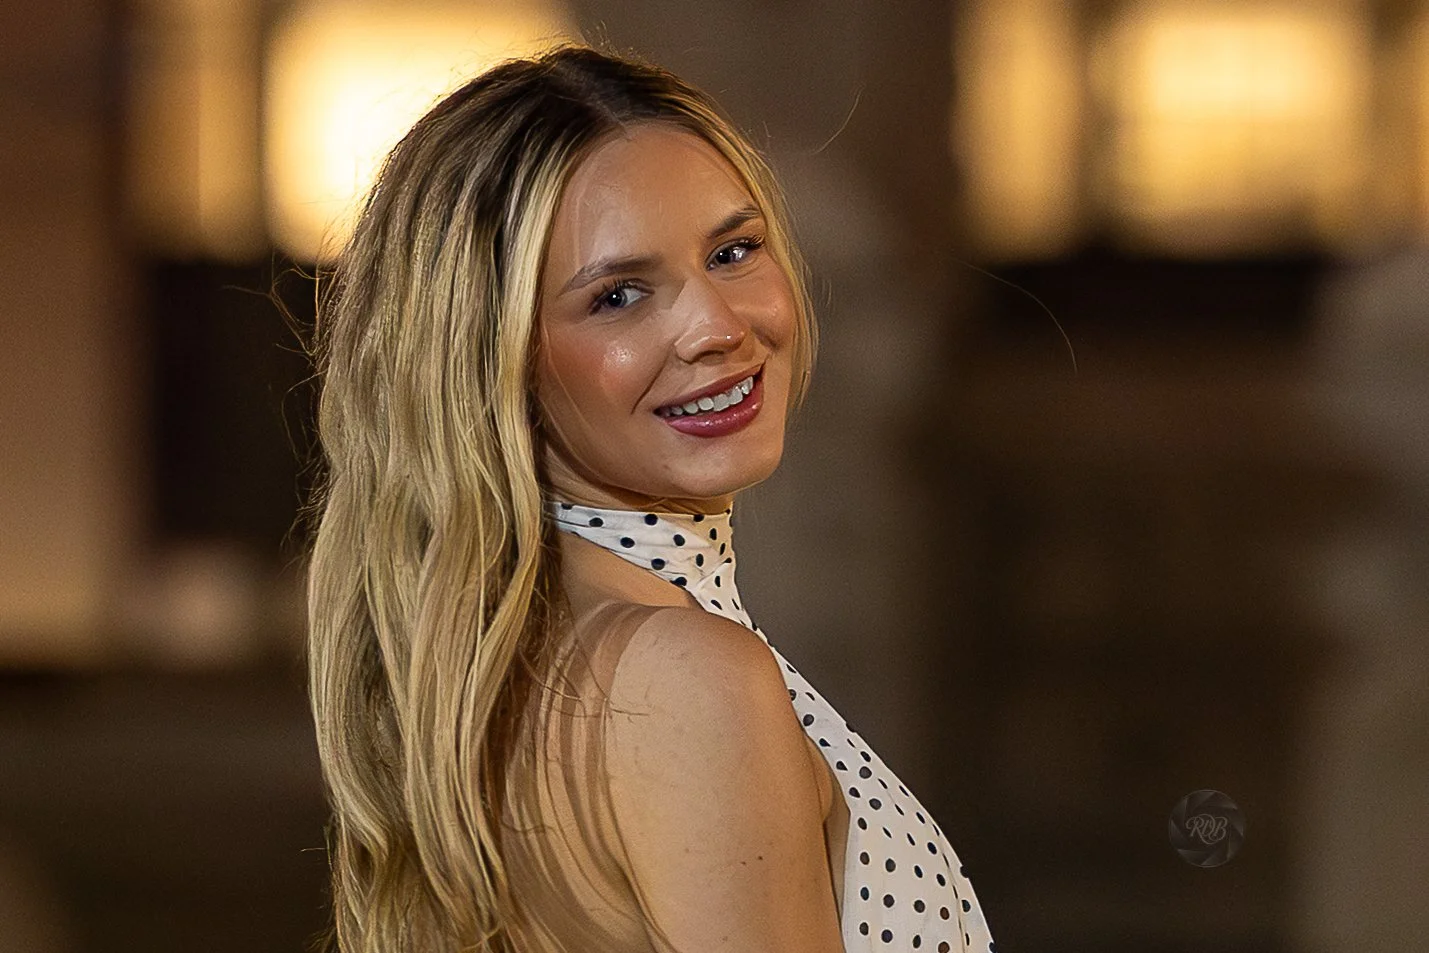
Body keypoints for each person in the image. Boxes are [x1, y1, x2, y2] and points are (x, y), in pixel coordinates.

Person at [304, 44, 994, 953]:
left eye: (734, 250)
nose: (715, 326)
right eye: (619, 295)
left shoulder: (521, 661)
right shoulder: (684, 679)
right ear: (488, 358)